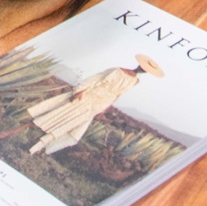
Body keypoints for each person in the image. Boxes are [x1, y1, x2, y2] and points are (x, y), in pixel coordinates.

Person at [27, 55, 166, 156]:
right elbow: (96, 79)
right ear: (140, 65)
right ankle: (36, 143)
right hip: (91, 95)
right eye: (144, 68)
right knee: (64, 117)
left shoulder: (135, 81)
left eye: (146, 71)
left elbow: (118, 95)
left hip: (101, 103)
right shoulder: (117, 70)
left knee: (75, 127)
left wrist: (104, 109)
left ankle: (40, 147)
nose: (143, 71)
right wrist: (80, 90)